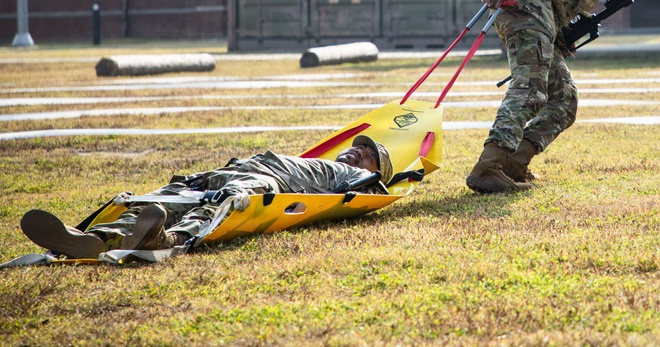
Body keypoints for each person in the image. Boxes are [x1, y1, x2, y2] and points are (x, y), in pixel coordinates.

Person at [466, 0, 638, 194]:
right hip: (524, 9)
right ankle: (487, 168)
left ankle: (515, 163)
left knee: (564, 99)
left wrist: (559, 37)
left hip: (543, 21)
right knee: (530, 91)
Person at [19, 136, 393, 258]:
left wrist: (392, 175)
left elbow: (372, 193)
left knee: (224, 203)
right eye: (357, 148)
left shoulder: (355, 176)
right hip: (223, 171)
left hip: (263, 181)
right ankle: (95, 239)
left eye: (367, 155)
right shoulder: (317, 160)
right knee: (161, 200)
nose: (357, 153)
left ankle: (168, 240)